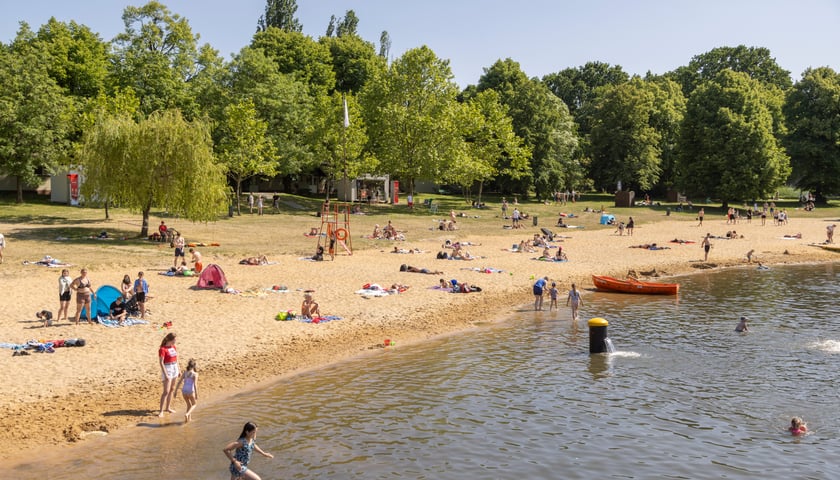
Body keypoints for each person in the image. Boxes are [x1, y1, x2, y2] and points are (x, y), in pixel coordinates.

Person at [158, 332, 179, 417]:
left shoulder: (173, 347)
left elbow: (176, 359)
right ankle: (161, 411)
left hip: (174, 367)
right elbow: (161, 362)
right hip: (167, 368)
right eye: (174, 340)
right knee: (166, 391)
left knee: (172, 389)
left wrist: (179, 369)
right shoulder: (162, 349)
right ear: (170, 340)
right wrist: (166, 374)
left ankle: (168, 407)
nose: (175, 341)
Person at [174, 358, 199, 423]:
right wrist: (196, 394)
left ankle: (188, 419)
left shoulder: (185, 372)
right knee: (194, 404)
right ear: (194, 366)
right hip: (190, 391)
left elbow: (179, 382)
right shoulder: (195, 374)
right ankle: (187, 414)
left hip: (184, 391)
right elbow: (195, 385)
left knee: (188, 405)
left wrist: (175, 391)